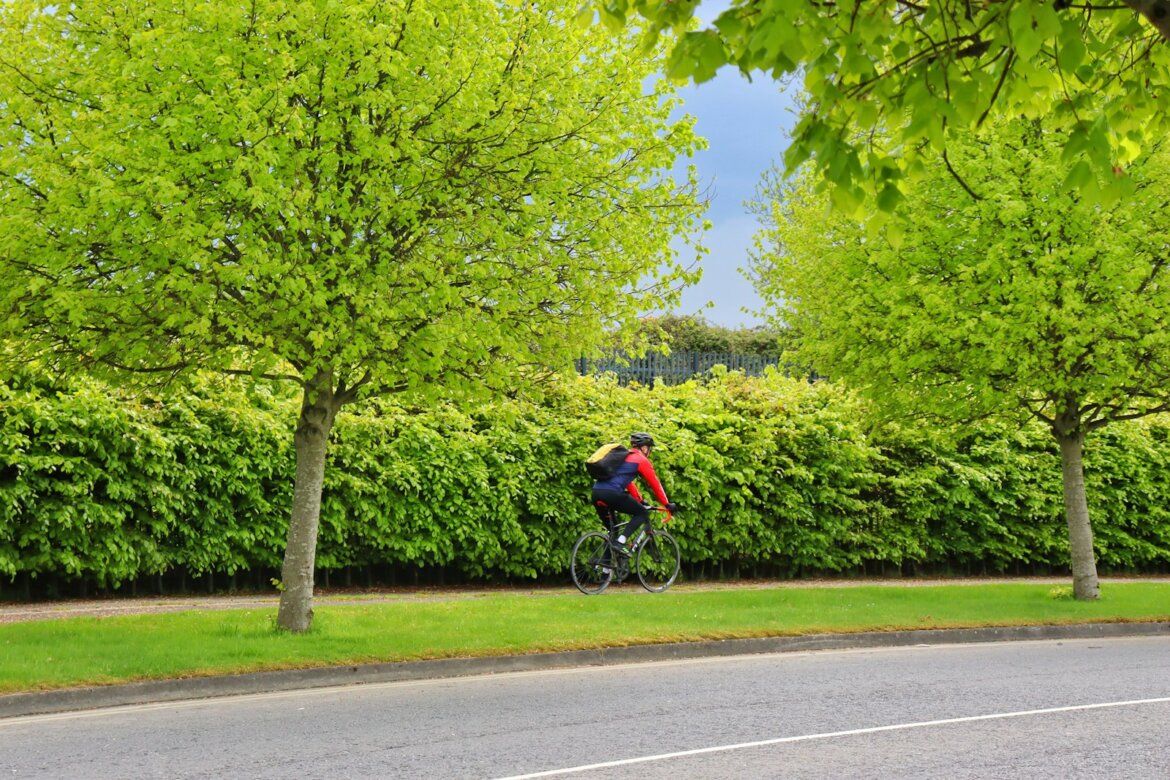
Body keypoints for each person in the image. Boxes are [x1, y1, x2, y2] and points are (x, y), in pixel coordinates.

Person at [590, 432, 679, 559]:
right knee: (642, 513)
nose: (649, 451)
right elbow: (655, 484)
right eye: (649, 448)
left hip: (596, 492)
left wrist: (639, 500)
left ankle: (605, 572)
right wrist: (667, 504)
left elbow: (628, 483)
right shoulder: (641, 460)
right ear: (644, 448)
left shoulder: (622, 457)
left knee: (613, 533)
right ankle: (621, 541)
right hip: (612, 493)